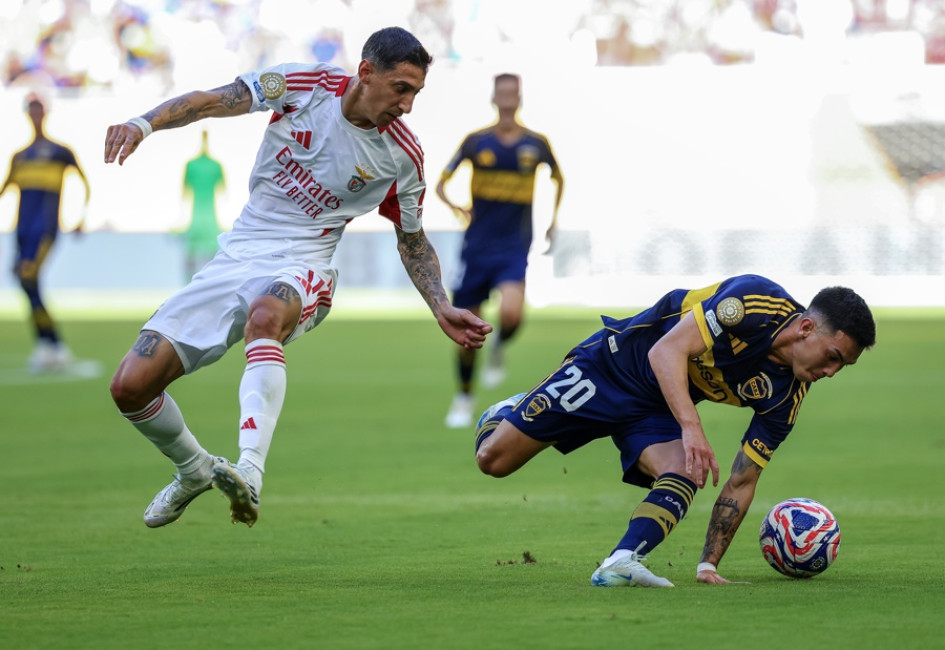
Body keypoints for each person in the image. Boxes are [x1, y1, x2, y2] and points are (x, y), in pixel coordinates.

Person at [103, 26, 492, 529]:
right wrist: (143, 123)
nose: (408, 105)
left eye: (416, 92)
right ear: (366, 72)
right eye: (401, 88)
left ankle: (250, 470)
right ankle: (194, 469)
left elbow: (412, 239)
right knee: (130, 387)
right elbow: (213, 101)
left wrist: (441, 306)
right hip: (238, 253)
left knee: (266, 315)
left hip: (306, 264)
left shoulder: (402, 155)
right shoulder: (302, 86)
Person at [474, 274, 875, 587]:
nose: (831, 372)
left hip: (658, 405)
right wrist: (691, 426)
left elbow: (742, 480)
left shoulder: (786, 397)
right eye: (833, 356)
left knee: (685, 470)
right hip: (611, 367)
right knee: (492, 461)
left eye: (843, 366)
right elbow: (665, 350)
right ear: (806, 328)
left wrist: (708, 563)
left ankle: (620, 562)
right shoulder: (753, 303)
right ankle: (511, 409)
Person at [436, 73, 564, 429]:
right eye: (502, 92)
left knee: (511, 313)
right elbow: (441, 183)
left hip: (513, 246)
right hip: (477, 246)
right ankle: (463, 396)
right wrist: (458, 208)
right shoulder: (476, 142)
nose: (507, 98)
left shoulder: (536, 144)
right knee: (465, 329)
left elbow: (558, 179)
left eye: (513, 92)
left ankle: (498, 348)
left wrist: (552, 222)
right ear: (495, 97)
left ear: (519, 97)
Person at [0, 93, 90, 372]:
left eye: (39, 109)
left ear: (45, 112)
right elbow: (5, 190)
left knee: (27, 277)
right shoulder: (19, 157)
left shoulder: (60, 152)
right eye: (32, 109)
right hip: (22, 232)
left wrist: (80, 219)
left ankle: (52, 344)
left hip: (45, 231)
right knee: (27, 283)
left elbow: (84, 183)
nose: (35, 114)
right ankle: (49, 344)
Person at [180, 129, 225, 280]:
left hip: (206, 217)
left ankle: (204, 284)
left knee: (206, 255)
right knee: (196, 255)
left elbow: (184, 192)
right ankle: (193, 286)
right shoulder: (195, 165)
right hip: (201, 217)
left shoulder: (212, 165)